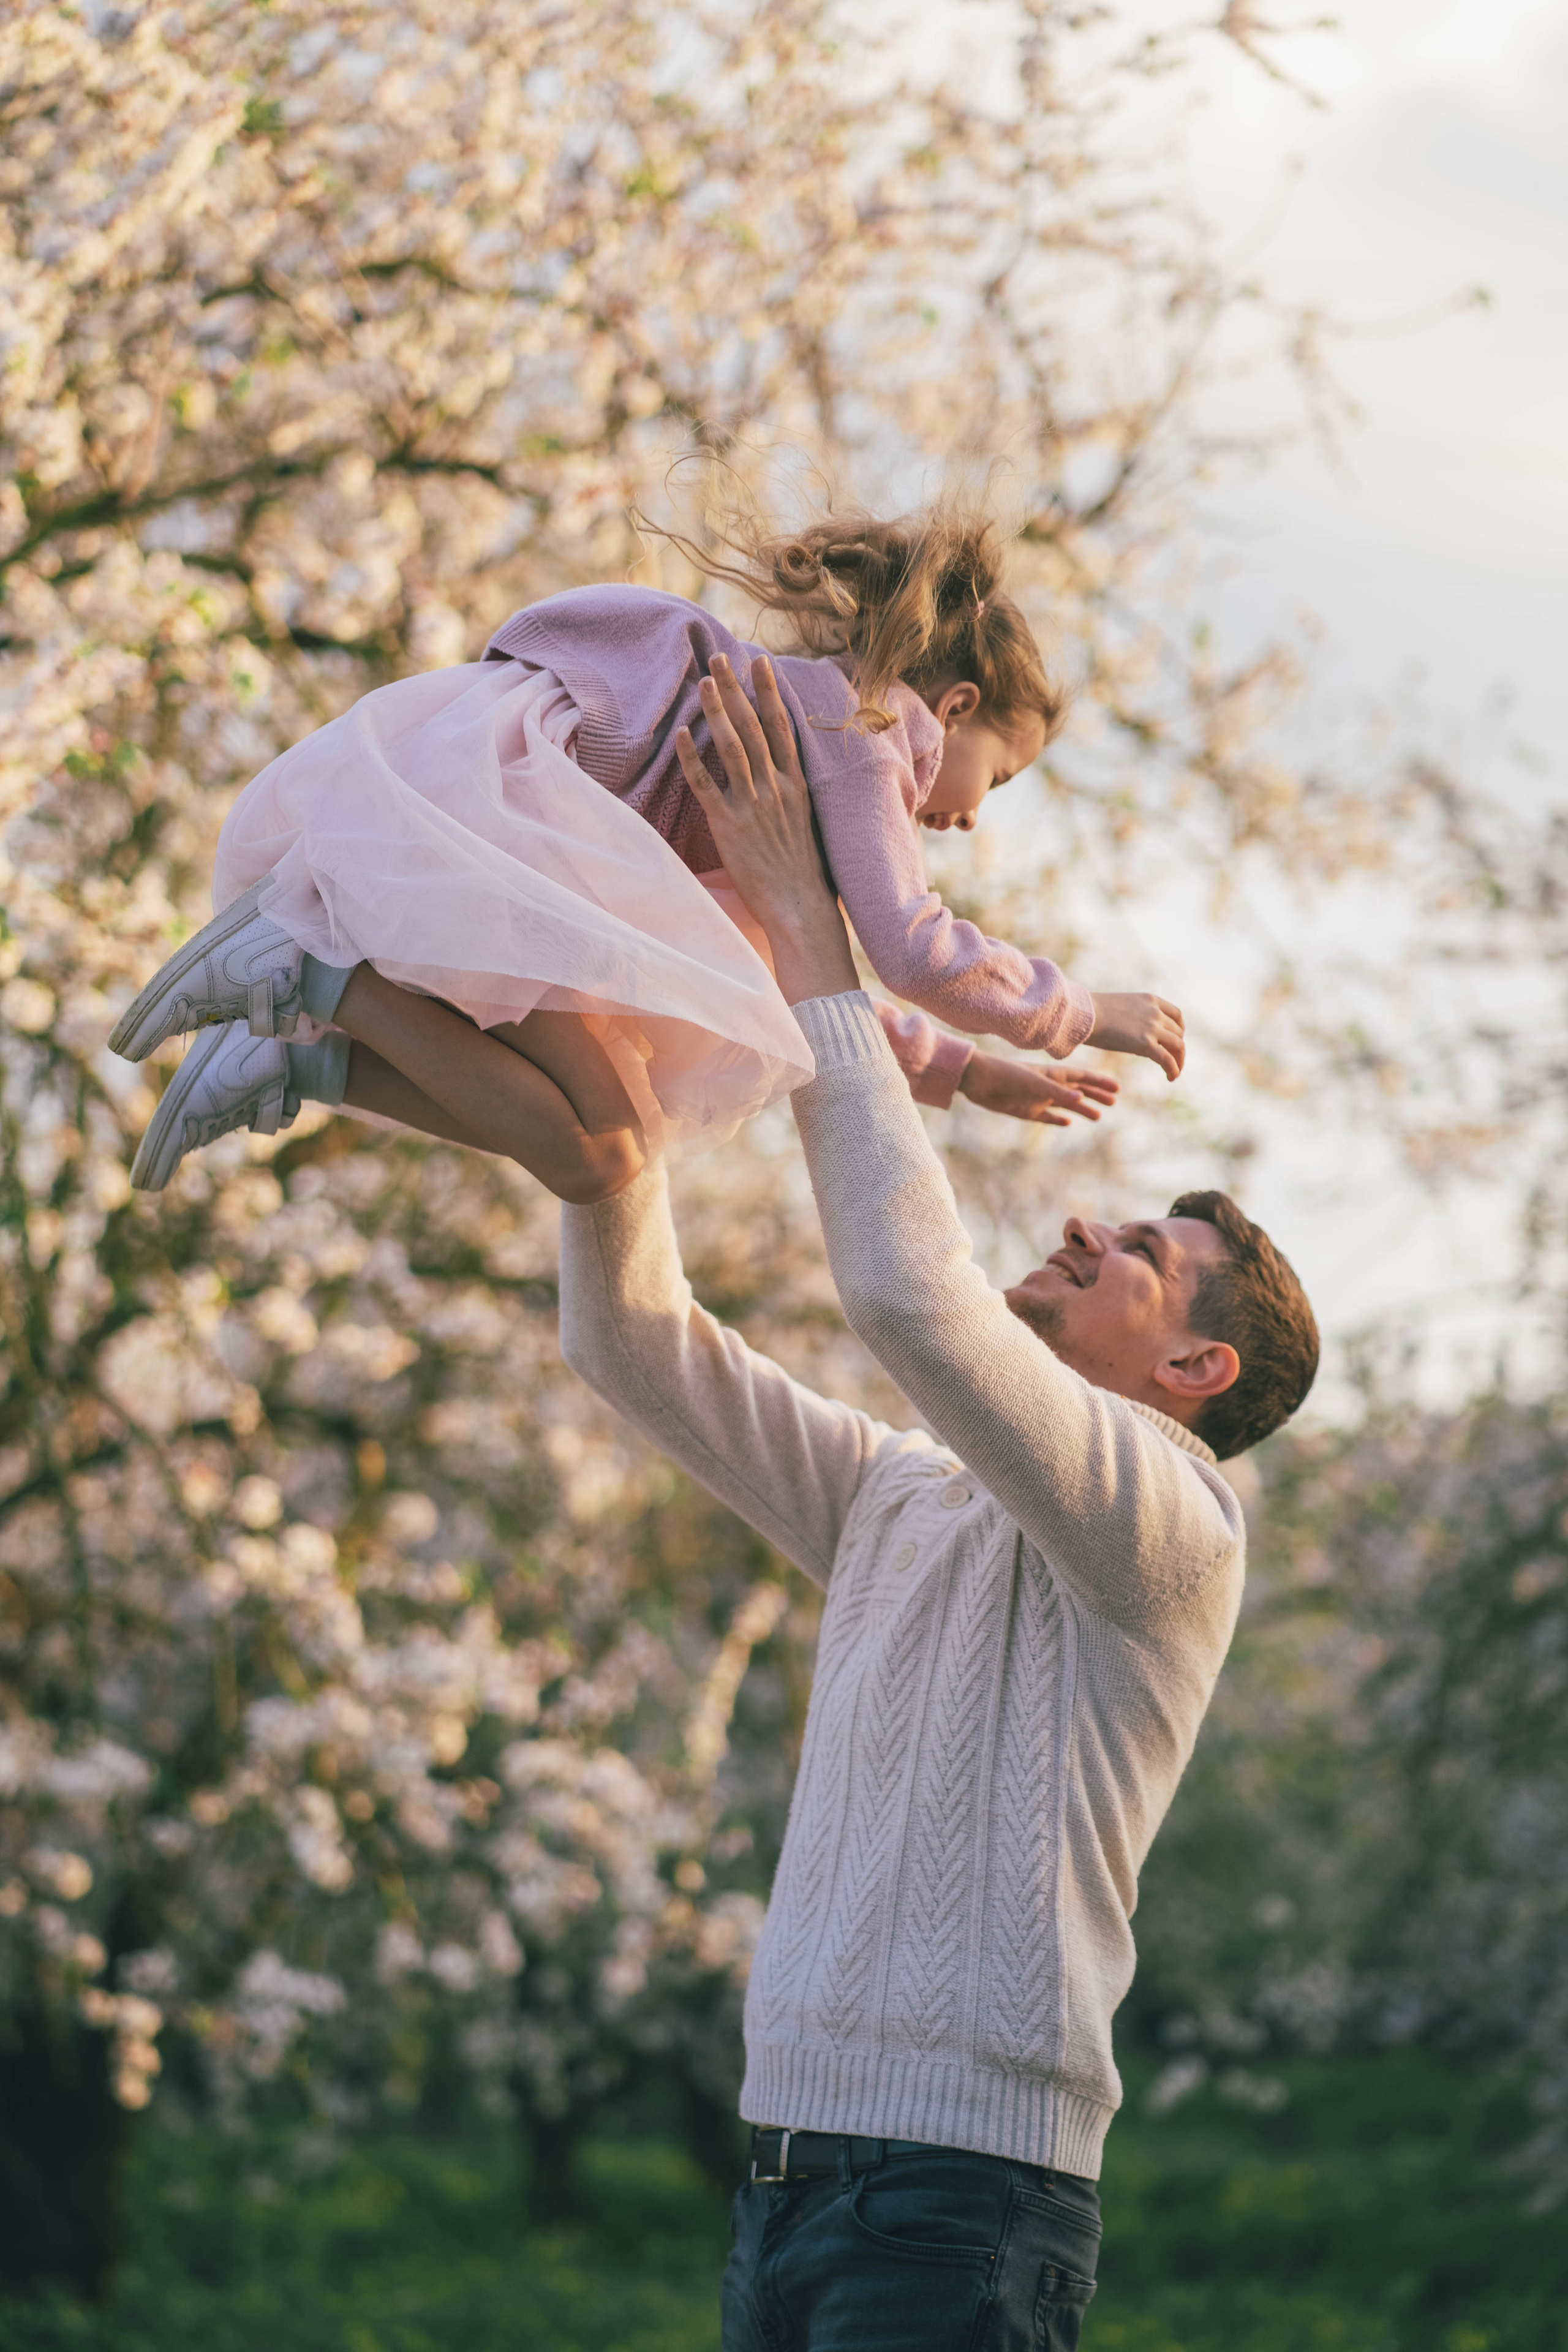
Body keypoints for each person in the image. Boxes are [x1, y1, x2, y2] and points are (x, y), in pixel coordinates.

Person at [555, 656, 1319, 2350]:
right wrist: (599, 1095)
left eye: (1146, 1258)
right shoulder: (906, 1506)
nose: (1091, 1232)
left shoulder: (1175, 1531)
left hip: (962, 2203)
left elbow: (913, 1296)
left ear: (1197, 1374)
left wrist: (808, 923)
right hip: (785, 2179)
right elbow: (628, 1342)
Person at [108, 500, 1178, 1193]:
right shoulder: (875, 727)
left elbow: (796, 980)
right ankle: (312, 981)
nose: (973, 816)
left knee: (611, 1153)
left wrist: (957, 1071)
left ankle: (296, 1046)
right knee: (604, 1157)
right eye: (995, 776)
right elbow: (909, 945)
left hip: (497, 826)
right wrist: (1079, 1013)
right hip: (513, 828)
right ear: (954, 704)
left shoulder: (802, 762)